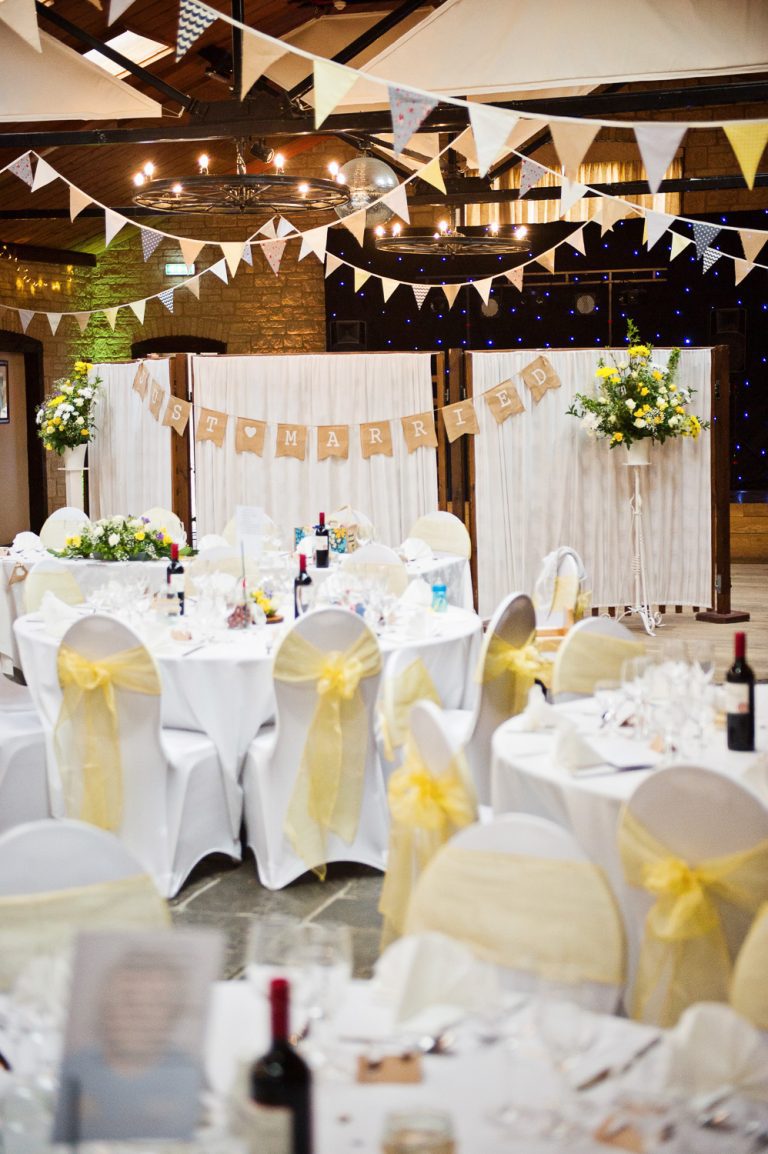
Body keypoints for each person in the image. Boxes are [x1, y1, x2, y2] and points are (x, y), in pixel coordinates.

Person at [54, 949, 203, 1142]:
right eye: (127, 998)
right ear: (105, 1008)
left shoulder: (189, 1076)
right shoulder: (72, 1070)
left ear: (174, 1014)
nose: (138, 1013)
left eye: (154, 1002)